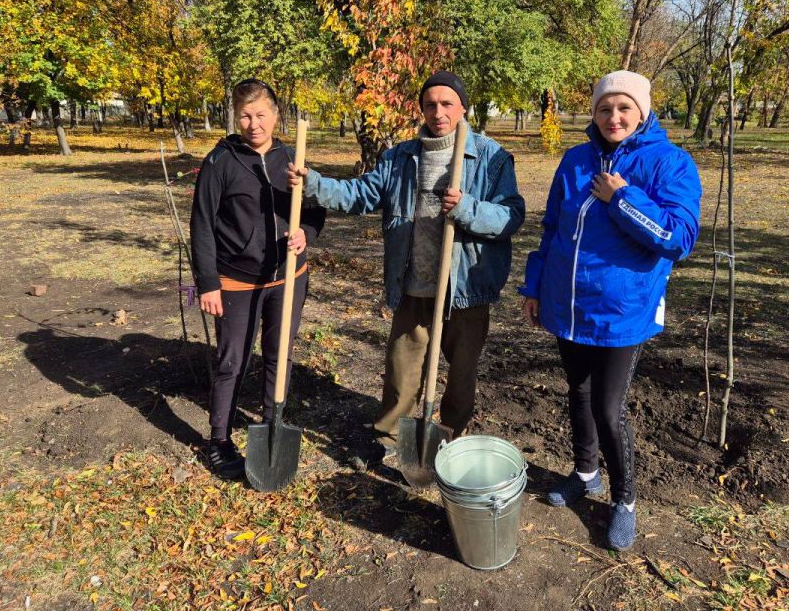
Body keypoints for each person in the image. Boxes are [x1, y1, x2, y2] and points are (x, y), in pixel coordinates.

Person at [288, 71, 525, 465]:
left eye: (447, 103)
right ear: (421, 109)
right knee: (401, 372)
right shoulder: (400, 157)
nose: (438, 112)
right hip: (413, 284)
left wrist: (466, 208)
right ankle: (389, 439)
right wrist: (314, 182)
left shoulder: (490, 157)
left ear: (462, 107)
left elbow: (511, 216)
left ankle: (448, 438)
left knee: (462, 376)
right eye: (430, 104)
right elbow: (359, 195)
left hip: (464, 289)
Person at [519, 70, 701, 551]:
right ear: (594, 113)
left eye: (624, 108)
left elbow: (678, 239)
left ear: (642, 112)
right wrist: (534, 287)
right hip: (567, 304)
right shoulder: (576, 159)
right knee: (577, 394)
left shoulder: (670, 163)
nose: (613, 117)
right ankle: (585, 473)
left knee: (608, 407)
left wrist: (622, 197)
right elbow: (552, 228)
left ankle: (625, 500)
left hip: (623, 311)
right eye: (604, 108)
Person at [190, 79, 326, 480]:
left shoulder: (292, 158)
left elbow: (316, 210)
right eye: (245, 115)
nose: (254, 124)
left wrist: (307, 235)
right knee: (232, 360)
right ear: (236, 117)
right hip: (236, 281)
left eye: (261, 114)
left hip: (287, 277)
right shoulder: (221, 162)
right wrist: (208, 282)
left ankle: (272, 425)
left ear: (275, 114)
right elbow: (201, 226)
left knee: (278, 355)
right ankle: (218, 440)